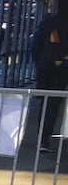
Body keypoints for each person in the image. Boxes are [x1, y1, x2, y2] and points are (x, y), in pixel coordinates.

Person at [29, 9, 65, 153]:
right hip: (61, 69)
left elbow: (35, 46)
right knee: (53, 105)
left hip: (49, 69)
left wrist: (40, 64)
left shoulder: (48, 23)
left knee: (48, 105)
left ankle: (43, 139)